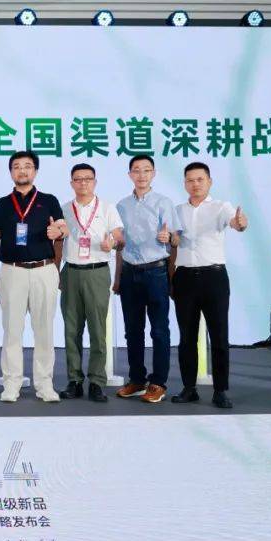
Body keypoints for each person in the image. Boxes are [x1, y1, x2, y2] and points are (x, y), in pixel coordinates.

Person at [0, 150, 66, 403]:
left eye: (28, 166)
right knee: (12, 330)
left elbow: (62, 228)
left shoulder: (49, 200)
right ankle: (11, 384)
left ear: (35, 171)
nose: (22, 170)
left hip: (44, 270)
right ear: (11, 172)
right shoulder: (2, 204)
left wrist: (59, 233)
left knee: (44, 330)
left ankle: (44, 385)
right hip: (12, 271)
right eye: (17, 166)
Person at [170, 162, 249, 409]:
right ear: (184, 183)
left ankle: (220, 390)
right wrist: (172, 240)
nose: (195, 184)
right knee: (186, 337)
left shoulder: (221, 207)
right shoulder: (177, 211)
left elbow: (236, 224)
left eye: (200, 179)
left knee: (219, 335)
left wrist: (240, 222)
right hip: (184, 277)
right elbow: (173, 241)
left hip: (213, 277)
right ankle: (189, 388)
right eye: (190, 180)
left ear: (209, 181)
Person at [114, 154, 179, 403]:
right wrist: (118, 277)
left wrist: (168, 238)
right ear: (129, 174)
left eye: (146, 170)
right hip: (130, 272)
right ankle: (137, 380)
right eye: (136, 170)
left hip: (156, 272)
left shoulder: (164, 203)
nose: (141, 175)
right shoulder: (121, 206)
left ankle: (158, 382)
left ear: (153, 174)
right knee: (132, 330)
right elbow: (120, 245)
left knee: (159, 330)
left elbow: (176, 239)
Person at [57, 164, 124, 403]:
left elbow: (120, 237)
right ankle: (74, 380)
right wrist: (56, 270)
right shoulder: (64, 209)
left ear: (95, 182)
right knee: (71, 329)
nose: (83, 183)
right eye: (78, 179)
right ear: (71, 183)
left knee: (98, 329)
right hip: (71, 272)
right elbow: (57, 240)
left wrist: (112, 243)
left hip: (97, 271)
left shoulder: (107, 208)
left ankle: (96, 381)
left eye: (87, 178)